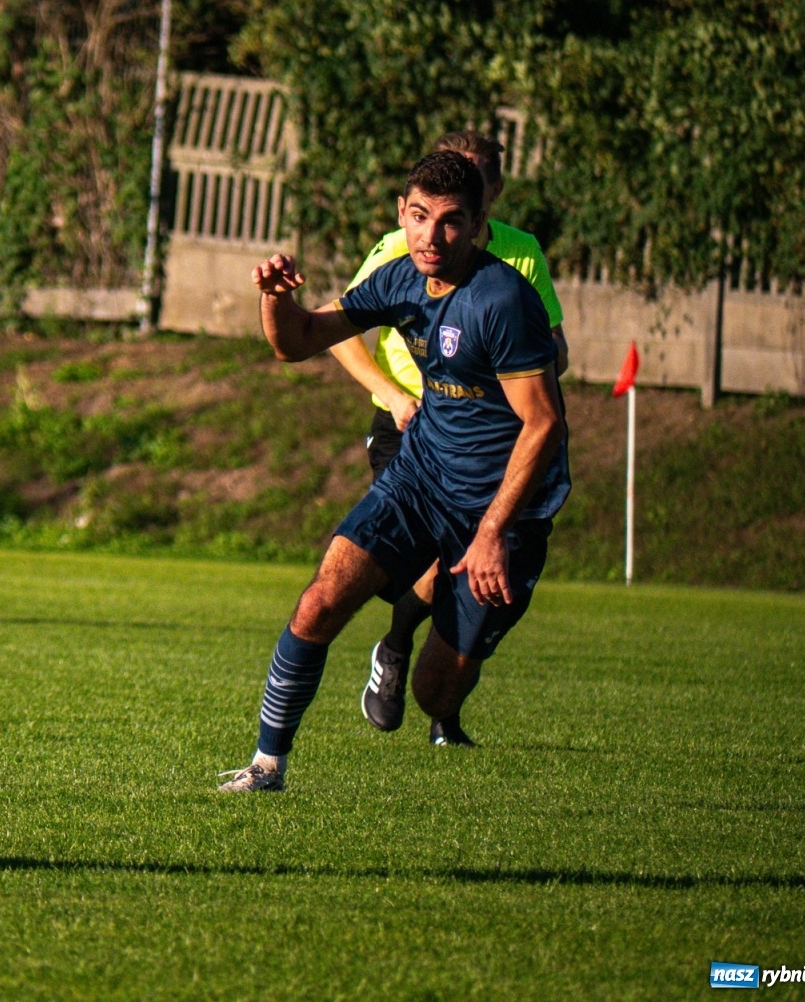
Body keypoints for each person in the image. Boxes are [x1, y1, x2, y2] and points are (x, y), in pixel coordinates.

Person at [218, 152, 569, 793]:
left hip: (500, 507)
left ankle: (428, 641)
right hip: (421, 478)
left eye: (451, 221)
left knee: (436, 694)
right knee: (321, 600)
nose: (432, 236)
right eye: (419, 217)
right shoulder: (400, 277)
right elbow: (297, 342)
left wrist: (493, 531)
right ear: (401, 214)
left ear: (478, 224)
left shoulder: (502, 300)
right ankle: (266, 766)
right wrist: (275, 299)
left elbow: (543, 424)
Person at [330, 131, 569, 743]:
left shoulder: (518, 254)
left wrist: (517, 367)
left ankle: (442, 709)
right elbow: (337, 326)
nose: (437, 224)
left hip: (487, 438)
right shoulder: (399, 248)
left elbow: (553, 348)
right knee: (443, 556)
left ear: (491, 193)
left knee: (468, 576)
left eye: (475, 177)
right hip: (408, 426)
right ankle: (396, 646)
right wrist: (390, 393)